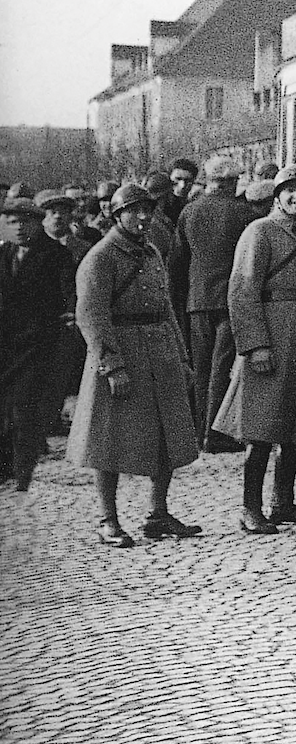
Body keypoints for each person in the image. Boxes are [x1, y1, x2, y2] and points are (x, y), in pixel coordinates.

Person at [213, 169, 296, 534]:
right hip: (273, 339)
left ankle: (283, 502)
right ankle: (250, 507)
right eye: (289, 190)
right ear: (277, 196)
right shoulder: (260, 232)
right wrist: (255, 345)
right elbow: (242, 291)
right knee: (262, 425)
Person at [67, 184, 203, 546]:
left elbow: (167, 308)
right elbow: (91, 316)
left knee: (166, 433)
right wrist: (112, 366)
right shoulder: (101, 256)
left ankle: (158, 514)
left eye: (148, 210)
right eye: (134, 211)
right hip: (121, 352)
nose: (143, 218)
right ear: (116, 216)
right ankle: (107, 519)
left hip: (160, 351)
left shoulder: (152, 251)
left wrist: (182, 356)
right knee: (108, 440)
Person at [174, 154, 253, 450]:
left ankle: (198, 431)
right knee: (223, 367)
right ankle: (216, 433)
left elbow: (178, 261)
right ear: (232, 182)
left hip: (197, 301)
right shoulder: (243, 214)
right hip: (230, 301)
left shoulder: (189, 212)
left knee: (202, 366)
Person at [1, 196, 78, 492]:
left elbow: (69, 295)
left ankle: (22, 476)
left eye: (25, 222)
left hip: (40, 348)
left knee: (25, 412)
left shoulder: (56, 255)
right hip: (7, 347)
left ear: (38, 222)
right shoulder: (4, 254)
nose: (19, 228)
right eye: (11, 222)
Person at [38, 190, 92, 268]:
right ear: (43, 218)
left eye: (63, 212)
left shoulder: (82, 248)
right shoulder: (36, 247)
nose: (58, 216)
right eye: (53, 212)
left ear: (70, 217)